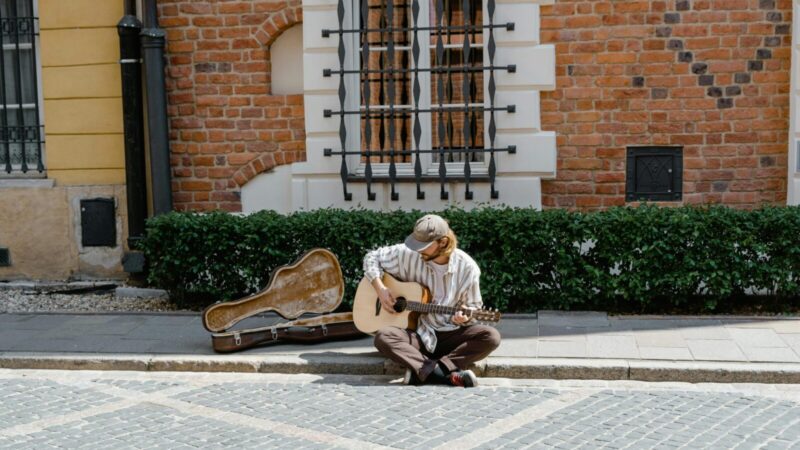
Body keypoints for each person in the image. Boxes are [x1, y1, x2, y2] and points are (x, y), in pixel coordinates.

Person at [363, 214, 501, 387]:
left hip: (450, 334)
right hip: (417, 334)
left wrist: (465, 316)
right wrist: (380, 289)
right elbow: (371, 258)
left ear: (442, 242)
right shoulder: (409, 254)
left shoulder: (467, 268)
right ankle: (443, 374)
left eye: (423, 246)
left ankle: (425, 370)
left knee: (490, 336)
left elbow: (473, 307)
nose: (417, 250)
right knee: (384, 337)